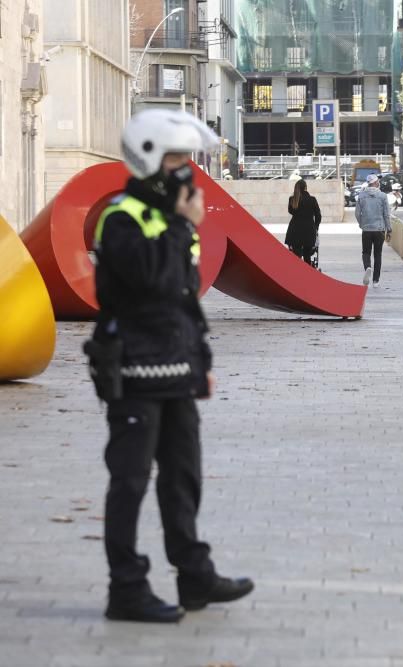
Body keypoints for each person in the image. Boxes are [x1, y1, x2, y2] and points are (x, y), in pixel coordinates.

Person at [84, 108, 253, 624]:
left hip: (176, 368)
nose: (186, 171)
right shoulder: (121, 218)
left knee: (183, 477)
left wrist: (201, 361)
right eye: (178, 159)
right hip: (133, 370)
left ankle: (194, 575)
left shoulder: (173, 220)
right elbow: (149, 282)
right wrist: (182, 225)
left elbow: (183, 300)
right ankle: (127, 589)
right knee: (131, 481)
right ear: (151, 159)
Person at [355, 173, 391, 287]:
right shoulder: (383, 196)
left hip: (366, 229)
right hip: (379, 229)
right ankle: (376, 281)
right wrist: (389, 229)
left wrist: (362, 224)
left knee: (366, 252)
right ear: (375, 183)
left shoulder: (361, 196)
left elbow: (357, 213)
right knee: (378, 254)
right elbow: (386, 215)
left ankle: (367, 268)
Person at [285, 179, 322, 263]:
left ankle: (297, 274)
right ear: (306, 187)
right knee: (307, 256)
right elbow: (318, 216)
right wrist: (315, 227)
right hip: (309, 231)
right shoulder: (312, 200)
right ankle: (308, 274)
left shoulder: (292, 199)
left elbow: (291, 211)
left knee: (296, 258)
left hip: (295, 231)